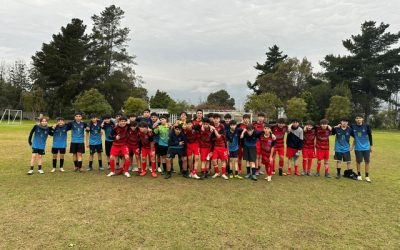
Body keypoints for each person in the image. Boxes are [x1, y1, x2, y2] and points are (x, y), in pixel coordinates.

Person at [350, 115, 373, 182]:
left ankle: (367, 176)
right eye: (357, 118)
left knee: (367, 162)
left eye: (360, 118)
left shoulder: (366, 126)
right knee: (358, 161)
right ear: (355, 119)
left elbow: (370, 136)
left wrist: (371, 146)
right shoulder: (352, 126)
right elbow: (346, 129)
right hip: (358, 148)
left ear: (362, 119)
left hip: (366, 148)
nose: (358, 119)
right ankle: (359, 175)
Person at [210, 114, 229, 180]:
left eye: (217, 118)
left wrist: (214, 129)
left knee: (223, 161)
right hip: (215, 147)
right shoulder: (211, 126)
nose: (216, 120)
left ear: (219, 120)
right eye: (214, 118)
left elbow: (218, 136)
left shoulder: (222, 127)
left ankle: (223, 174)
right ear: (213, 119)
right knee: (214, 160)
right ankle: (217, 172)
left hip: (222, 147)